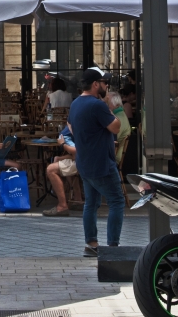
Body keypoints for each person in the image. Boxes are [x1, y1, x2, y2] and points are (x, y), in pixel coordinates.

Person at [68, 67, 124, 256]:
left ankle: (91, 244)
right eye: (103, 83)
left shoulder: (75, 103)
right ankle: (112, 247)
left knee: (91, 203)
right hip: (102, 163)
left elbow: (70, 126)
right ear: (95, 84)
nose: (105, 86)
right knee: (117, 201)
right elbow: (116, 127)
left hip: (85, 162)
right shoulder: (97, 105)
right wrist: (109, 105)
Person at [42, 124, 79, 216]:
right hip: (92, 159)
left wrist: (62, 144)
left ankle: (62, 206)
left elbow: (77, 152)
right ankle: (78, 199)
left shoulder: (82, 124)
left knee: (51, 169)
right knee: (66, 164)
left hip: (87, 162)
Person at [107, 90, 132, 166]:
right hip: (114, 154)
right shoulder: (120, 114)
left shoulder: (118, 118)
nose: (105, 104)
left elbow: (111, 140)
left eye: (107, 102)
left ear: (116, 104)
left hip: (114, 157)